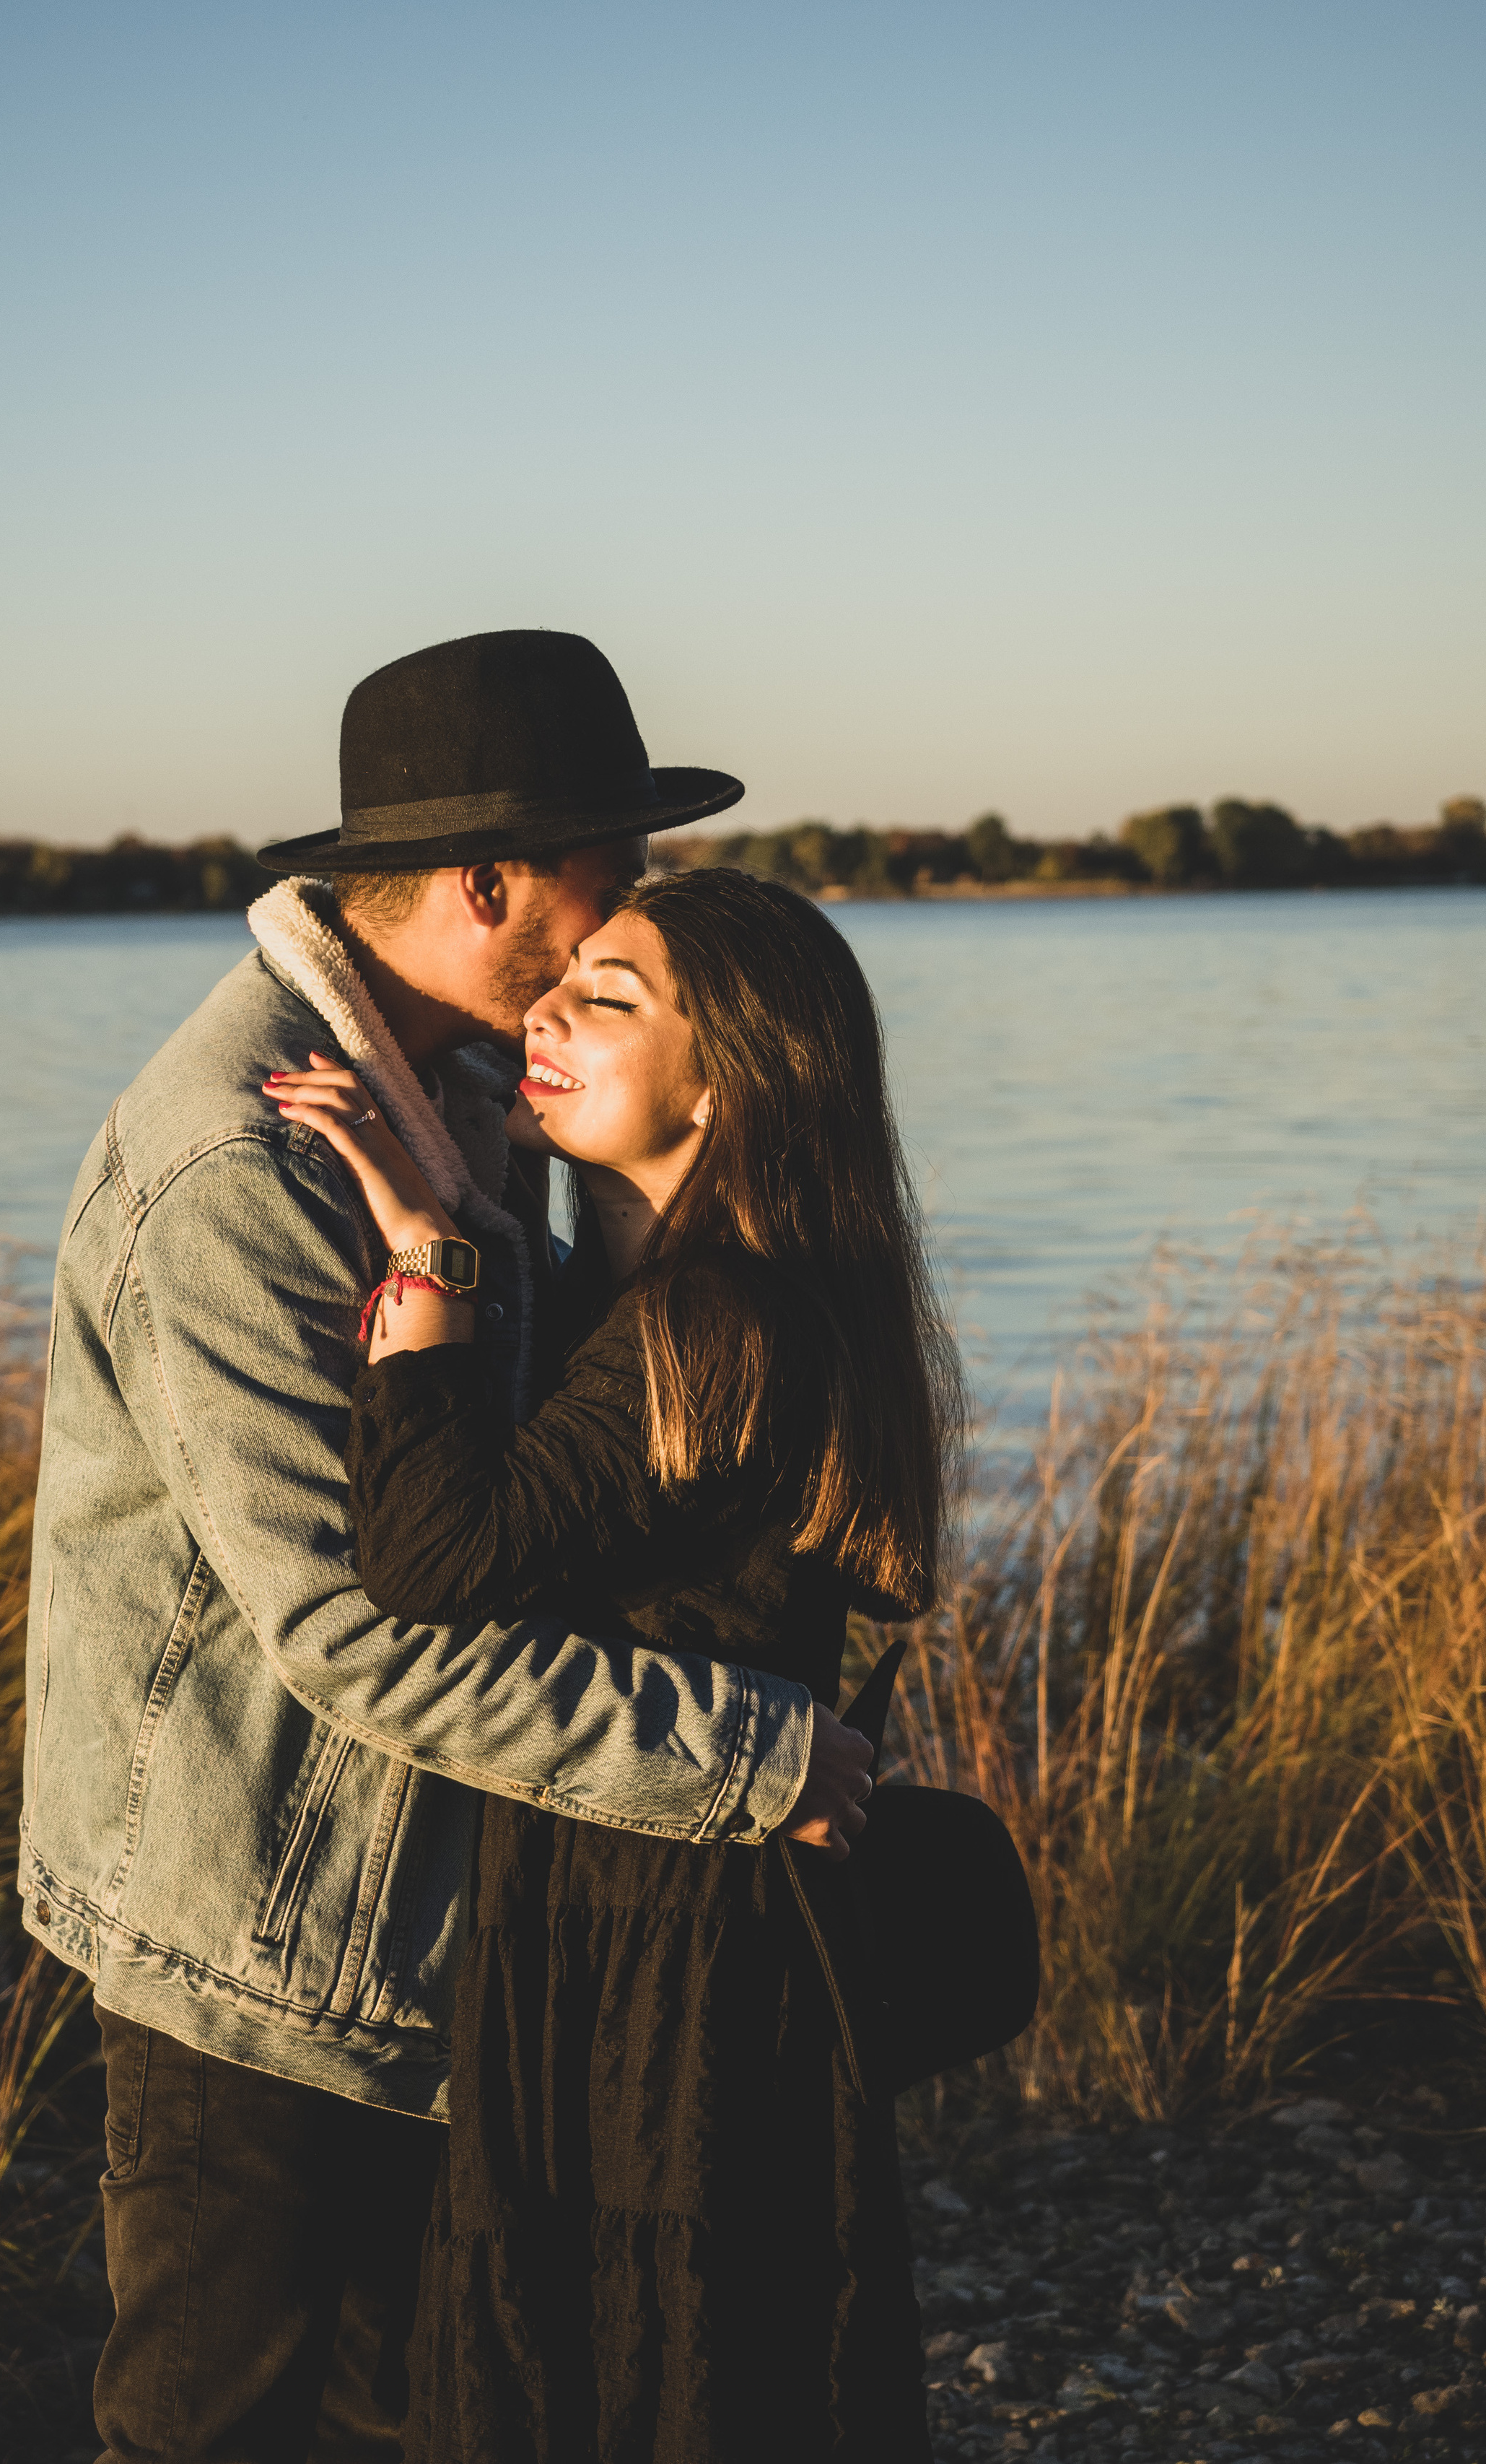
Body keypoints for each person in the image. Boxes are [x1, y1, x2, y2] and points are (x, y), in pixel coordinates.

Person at [19, 630, 880, 2462]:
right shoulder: (247, 1163)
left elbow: (561, 1458)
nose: (620, 915)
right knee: (208, 2433)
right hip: (261, 1946)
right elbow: (352, 1638)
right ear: (493, 881)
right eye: (610, 873)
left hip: (433, 1935)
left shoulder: (470, 1091)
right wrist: (741, 1756)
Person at [268, 863, 958, 2461]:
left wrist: (428, 1253)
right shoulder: (636, 1301)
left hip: (674, 1942)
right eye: (561, 977)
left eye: (611, 996)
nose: (548, 1008)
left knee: (652, 2367)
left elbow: (435, 1564)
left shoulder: (714, 1322)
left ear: (725, 1083)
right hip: (648, 1899)